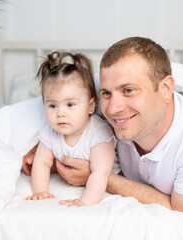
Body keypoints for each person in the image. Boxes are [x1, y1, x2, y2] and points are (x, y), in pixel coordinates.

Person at [24, 37, 183, 212]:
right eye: (107, 93)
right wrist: (36, 151)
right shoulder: (97, 106)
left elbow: (181, 209)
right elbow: (63, 104)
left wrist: (101, 177)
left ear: (166, 89)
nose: (112, 108)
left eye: (129, 90)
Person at [25, 51, 116, 207]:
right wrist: (40, 191)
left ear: (90, 106)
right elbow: (42, 164)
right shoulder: (50, 132)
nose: (60, 113)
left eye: (70, 104)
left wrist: (85, 202)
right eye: (52, 105)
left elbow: (100, 173)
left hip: (103, 181)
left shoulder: (98, 132)